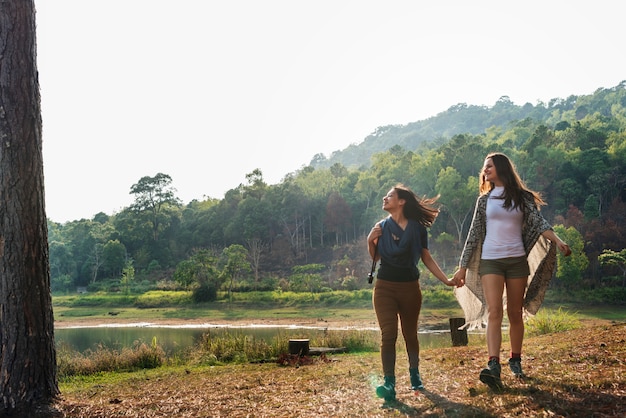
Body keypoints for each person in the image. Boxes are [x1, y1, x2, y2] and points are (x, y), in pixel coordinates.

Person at [452, 152, 571, 390]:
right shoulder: (484, 201)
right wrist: (463, 268)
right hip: (490, 261)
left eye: (489, 166)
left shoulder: (522, 197)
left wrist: (557, 240)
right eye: (484, 167)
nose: (485, 171)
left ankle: (515, 360)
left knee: (515, 313)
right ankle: (493, 364)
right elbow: (473, 235)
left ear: (502, 168)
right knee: (495, 311)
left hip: (517, 261)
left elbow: (539, 223)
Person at [367, 184, 461, 401]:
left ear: (401, 201)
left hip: (410, 288)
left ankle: (414, 375)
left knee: (410, 334)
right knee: (388, 334)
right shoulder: (380, 227)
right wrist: (369, 240)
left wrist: (446, 280)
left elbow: (426, 258)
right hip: (384, 287)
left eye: (389, 196)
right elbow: (376, 258)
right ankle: (389, 383)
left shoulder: (418, 229)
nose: (384, 198)